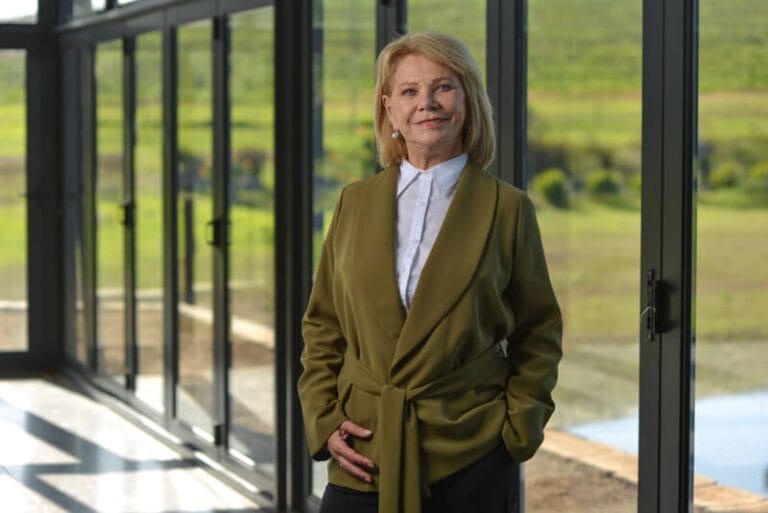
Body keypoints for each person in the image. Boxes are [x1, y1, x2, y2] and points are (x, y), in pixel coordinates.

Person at [298, 32, 562, 513]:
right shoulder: (354, 203)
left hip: (471, 451)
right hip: (362, 444)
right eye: (409, 91)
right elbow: (323, 325)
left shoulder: (507, 209)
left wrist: (516, 430)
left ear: (467, 99)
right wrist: (324, 417)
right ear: (390, 108)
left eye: (443, 87)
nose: (427, 103)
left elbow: (538, 331)